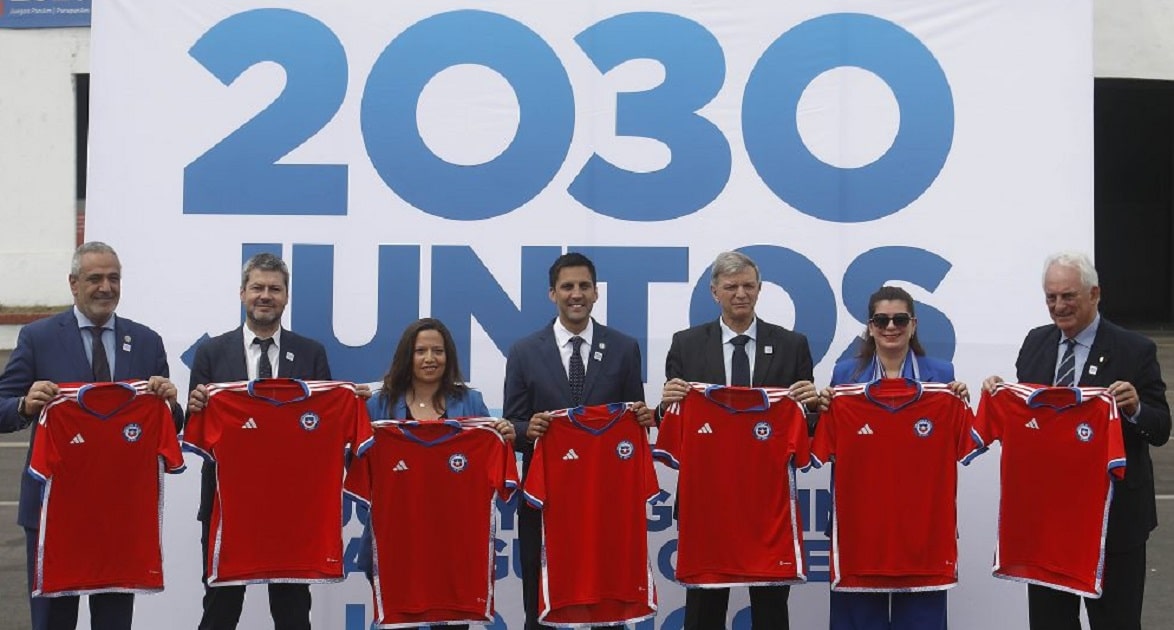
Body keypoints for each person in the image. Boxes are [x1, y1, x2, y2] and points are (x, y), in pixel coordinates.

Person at [982, 251, 1170, 630]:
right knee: (1050, 622)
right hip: (1049, 524)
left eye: (1068, 296)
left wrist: (1135, 408)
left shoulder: (1134, 349)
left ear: (1094, 294)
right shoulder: (1035, 343)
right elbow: (1030, 420)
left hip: (1113, 524)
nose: (1059, 306)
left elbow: (1161, 428)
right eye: (1051, 297)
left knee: (1116, 623)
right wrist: (1002, 394)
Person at [0, 241, 180, 630]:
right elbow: (2, 406)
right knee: (53, 622)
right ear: (73, 283)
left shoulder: (146, 341)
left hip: (120, 513)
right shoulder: (38, 337)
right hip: (53, 510)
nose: (106, 287)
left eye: (114, 278)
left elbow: (168, 422)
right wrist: (25, 405)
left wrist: (171, 403)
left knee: (114, 621)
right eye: (95, 278)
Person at [187, 252, 352, 630]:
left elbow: (324, 427)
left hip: (293, 506)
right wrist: (194, 407)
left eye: (274, 289)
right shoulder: (211, 352)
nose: (265, 296)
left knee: (293, 611)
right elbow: (198, 430)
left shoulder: (311, 353)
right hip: (227, 504)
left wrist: (346, 402)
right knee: (220, 608)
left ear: (286, 297)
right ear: (242, 293)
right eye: (257, 288)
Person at [658, 250, 820, 630]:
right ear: (714, 292)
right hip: (706, 501)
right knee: (704, 612)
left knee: (771, 611)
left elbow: (806, 423)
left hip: (769, 503)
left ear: (760, 289)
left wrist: (814, 406)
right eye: (731, 287)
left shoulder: (792, 345)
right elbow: (673, 420)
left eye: (748, 286)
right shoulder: (686, 344)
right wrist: (665, 406)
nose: (741, 294)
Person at [503, 252, 654, 630]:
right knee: (541, 602)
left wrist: (643, 418)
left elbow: (634, 423)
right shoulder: (524, 351)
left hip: (605, 500)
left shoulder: (624, 348)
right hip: (545, 498)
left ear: (596, 293)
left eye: (584, 286)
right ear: (552, 293)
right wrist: (527, 430)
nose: (576, 294)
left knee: (608, 599)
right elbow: (511, 424)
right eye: (567, 286)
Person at [821, 285, 968, 630]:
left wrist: (959, 400)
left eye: (899, 319)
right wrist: (822, 407)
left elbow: (958, 438)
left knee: (922, 620)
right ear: (870, 326)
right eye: (881, 320)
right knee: (858, 620)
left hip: (922, 526)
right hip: (859, 524)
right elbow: (827, 440)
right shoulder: (844, 375)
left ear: (913, 325)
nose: (891, 327)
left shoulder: (942, 376)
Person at [356, 317, 515, 630]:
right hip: (397, 543)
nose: (430, 358)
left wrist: (502, 435)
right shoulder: (378, 405)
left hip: (454, 544)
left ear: (448, 356)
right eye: (421, 351)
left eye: (438, 351)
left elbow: (490, 462)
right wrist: (353, 412)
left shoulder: (471, 401)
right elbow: (356, 462)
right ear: (407, 356)